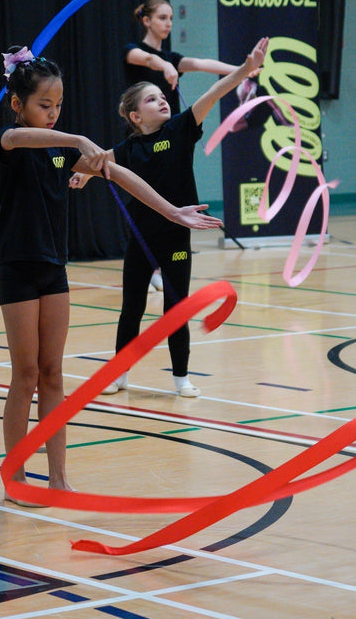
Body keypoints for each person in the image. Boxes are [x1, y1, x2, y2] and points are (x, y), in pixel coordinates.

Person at [0, 45, 223, 505]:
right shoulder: (13, 140)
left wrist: (172, 211)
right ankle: (16, 476)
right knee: (26, 374)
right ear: (18, 104)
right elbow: (21, 139)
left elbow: (118, 175)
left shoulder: (61, 151)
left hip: (53, 268)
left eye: (59, 105)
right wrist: (79, 139)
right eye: (44, 105)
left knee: (52, 374)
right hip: (17, 267)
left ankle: (58, 478)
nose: (54, 113)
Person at [72, 37, 269, 397]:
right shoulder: (129, 149)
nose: (162, 100)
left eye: (162, 96)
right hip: (141, 239)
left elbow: (213, 93)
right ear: (135, 117)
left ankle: (181, 378)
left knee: (175, 309)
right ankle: (120, 374)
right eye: (151, 99)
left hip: (176, 237)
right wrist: (85, 175)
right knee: (131, 309)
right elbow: (98, 162)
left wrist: (245, 69)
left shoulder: (180, 129)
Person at [124, 0, 245, 292]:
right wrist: (165, 65)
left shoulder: (173, 57)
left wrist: (242, 68)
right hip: (144, 139)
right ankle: (148, 264)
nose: (168, 23)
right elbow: (149, 60)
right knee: (146, 201)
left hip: (172, 138)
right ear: (146, 21)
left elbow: (202, 64)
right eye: (162, 18)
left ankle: (167, 263)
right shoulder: (134, 51)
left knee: (174, 197)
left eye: (170, 18)